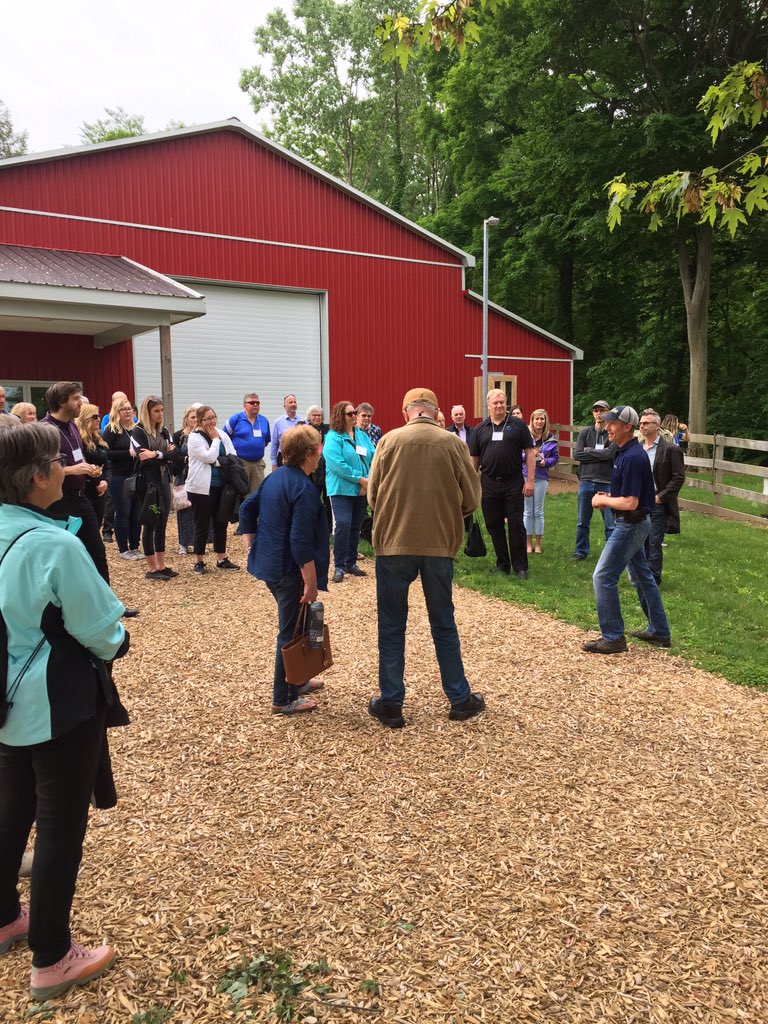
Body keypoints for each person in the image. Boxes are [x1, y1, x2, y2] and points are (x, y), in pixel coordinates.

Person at [0, 422, 129, 1001]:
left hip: (4, 699)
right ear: (35, 477)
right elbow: (104, 631)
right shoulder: (55, 543)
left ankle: (6, 916)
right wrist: (116, 640)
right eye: (56, 461)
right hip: (56, 704)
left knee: (11, 807)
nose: (64, 468)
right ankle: (51, 956)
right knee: (58, 823)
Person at [367, 388, 484, 728]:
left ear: (408, 412)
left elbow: (373, 495)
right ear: (435, 411)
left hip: (393, 544)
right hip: (438, 544)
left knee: (391, 626)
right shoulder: (452, 443)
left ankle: (391, 703)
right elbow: (472, 498)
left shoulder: (388, 441)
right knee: (443, 623)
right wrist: (449, 512)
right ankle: (459, 698)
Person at [239, 425, 330, 715]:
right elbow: (300, 542)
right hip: (288, 570)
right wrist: (311, 583)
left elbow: (247, 508)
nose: (320, 453)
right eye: (318, 448)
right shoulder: (303, 489)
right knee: (290, 632)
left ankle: (298, 678)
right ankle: (283, 698)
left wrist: (252, 544)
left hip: (269, 565)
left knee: (300, 624)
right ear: (307, 454)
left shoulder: (275, 477)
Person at [583, 406, 672, 654]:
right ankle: (660, 630)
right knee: (642, 577)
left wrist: (603, 501)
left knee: (603, 577)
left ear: (627, 427)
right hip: (633, 521)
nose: (607, 427)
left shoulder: (632, 457)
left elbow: (631, 502)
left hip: (630, 524)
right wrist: (611, 496)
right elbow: (629, 496)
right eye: (607, 422)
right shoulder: (625, 453)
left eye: (612, 423)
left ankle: (613, 637)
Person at [41, 382, 110, 585]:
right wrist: (73, 470)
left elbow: (77, 459)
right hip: (57, 502)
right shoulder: (45, 430)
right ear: (62, 402)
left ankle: (107, 605)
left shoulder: (72, 425)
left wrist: (93, 474)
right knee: (63, 556)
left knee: (97, 551)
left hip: (81, 497)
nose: (81, 402)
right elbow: (40, 471)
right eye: (76, 398)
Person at [469, 389, 535, 579]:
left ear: (506, 404)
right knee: (493, 524)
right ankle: (502, 564)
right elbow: (474, 459)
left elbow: (530, 452)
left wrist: (530, 480)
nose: (499, 406)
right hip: (489, 483)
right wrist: (472, 483)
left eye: (502, 402)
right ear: (488, 405)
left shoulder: (518, 425)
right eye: (495, 403)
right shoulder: (480, 429)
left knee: (516, 525)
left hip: (513, 482)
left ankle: (520, 566)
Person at [324, 400, 375, 584]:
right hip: (341, 490)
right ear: (340, 416)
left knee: (356, 525)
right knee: (343, 524)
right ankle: (338, 565)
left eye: (355, 413)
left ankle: (350, 562)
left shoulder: (361, 435)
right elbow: (337, 465)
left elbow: (373, 456)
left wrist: (367, 481)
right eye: (350, 414)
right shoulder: (333, 437)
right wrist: (360, 479)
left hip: (362, 489)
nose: (354, 416)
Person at [186, 405, 240, 575]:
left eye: (213, 417)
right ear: (200, 421)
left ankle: (221, 557)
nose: (211, 421)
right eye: (207, 419)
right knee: (201, 523)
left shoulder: (221, 433)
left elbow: (232, 455)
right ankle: (199, 561)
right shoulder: (195, 438)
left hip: (221, 485)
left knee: (220, 522)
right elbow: (208, 457)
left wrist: (219, 460)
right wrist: (215, 442)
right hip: (201, 488)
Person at [131, 396, 177, 581]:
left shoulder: (164, 431)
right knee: (151, 521)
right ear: (147, 412)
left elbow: (176, 454)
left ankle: (161, 564)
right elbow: (144, 457)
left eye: (161, 410)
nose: (159, 414)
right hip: (149, 485)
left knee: (163, 522)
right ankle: (151, 568)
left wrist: (157, 454)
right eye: (156, 411)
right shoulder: (138, 431)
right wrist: (164, 454)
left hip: (164, 480)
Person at [638, 409, 686, 585]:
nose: (642, 426)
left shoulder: (670, 450)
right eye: (641, 423)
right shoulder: (638, 448)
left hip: (657, 503)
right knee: (640, 540)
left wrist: (661, 497)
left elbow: (679, 477)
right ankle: (642, 576)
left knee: (654, 541)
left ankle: (653, 579)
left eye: (646, 423)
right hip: (639, 501)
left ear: (657, 426)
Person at [572, 400, 616, 561]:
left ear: (608, 412)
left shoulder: (612, 434)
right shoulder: (585, 432)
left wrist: (588, 451)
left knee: (610, 523)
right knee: (582, 521)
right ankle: (580, 551)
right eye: (596, 411)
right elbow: (577, 455)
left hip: (606, 482)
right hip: (586, 480)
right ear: (593, 414)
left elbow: (610, 454)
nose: (599, 414)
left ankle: (611, 554)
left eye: (602, 410)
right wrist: (599, 455)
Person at [102, 396, 142, 562]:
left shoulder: (136, 429)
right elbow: (106, 453)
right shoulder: (111, 430)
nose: (128, 412)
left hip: (136, 475)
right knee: (123, 512)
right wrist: (127, 453)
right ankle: (123, 548)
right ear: (117, 411)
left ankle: (134, 545)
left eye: (130, 409)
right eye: (124, 409)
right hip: (120, 476)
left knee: (136, 513)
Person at [522, 408, 559, 554]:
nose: (539, 421)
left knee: (538, 511)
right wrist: (529, 456)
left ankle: (538, 544)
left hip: (541, 477)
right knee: (527, 511)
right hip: (525, 476)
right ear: (532, 421)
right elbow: (518, 455)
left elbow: (555, 458)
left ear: (545, 421)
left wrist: (545, 462)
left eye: (542, 419)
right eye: (536, 419)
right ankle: (528, 543)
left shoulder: (550, 438)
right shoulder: (525, 437)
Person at [224, 393, 270, 496]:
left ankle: (255, 513)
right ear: (245, 405)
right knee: (242, 493)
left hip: (257, 464)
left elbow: (266, 442)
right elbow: (224, 438)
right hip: (241, 463)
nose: (255, 405)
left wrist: (254, 448)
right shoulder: (235, 419)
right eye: (252, 403)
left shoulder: (263, 420)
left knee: (257, 494)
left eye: (257, 403)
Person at [172, 405, 202, 556]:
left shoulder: (202, 434)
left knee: (199, 510)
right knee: (184, 510)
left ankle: (198, 542)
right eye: (192, 417)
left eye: (197, 417)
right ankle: (183, 543)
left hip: (198, 476)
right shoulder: (178, 436)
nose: (195, 420)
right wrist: (185, 459)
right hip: (183, 476)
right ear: (186, 419)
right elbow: (172, 455)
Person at [76, 404, 111, 534]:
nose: (99, 419)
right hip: (86, 490)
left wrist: (106, 481)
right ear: (85, 419)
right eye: (95, 416)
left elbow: (107, 465)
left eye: (99, 416)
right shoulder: (79, 440)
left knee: (96, 529)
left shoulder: (98, 439)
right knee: (87, 533)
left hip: (100, 491)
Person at [270, 394, 303, 468]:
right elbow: (274, 444)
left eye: (295, 402)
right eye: (290, 402)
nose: (293, 404)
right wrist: (274, 463)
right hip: (283, 457)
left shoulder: (303, 421)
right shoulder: (278, 422)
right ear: (284, 406)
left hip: (299, 457)